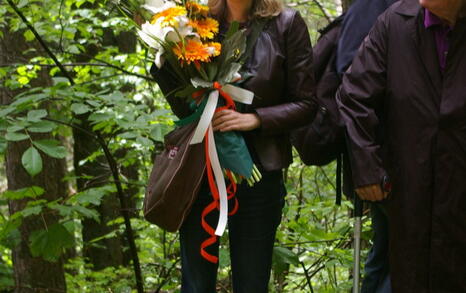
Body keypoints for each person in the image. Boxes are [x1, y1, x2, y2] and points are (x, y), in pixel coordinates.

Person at [151, 0, 317, 291]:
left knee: (252, 283)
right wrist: (163, 57)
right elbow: (182, 106)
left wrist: (255, 119)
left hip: (260, 170)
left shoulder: (286, 24)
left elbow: (307, 104)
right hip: (200, 167)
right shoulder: (194, 23)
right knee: (196, 285)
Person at [337, 0, 466, 291]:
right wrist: (367, 168)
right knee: (408, 273)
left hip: (459, 186)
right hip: (409, 185)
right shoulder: (395, 23)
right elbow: (353, 96)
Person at [336, 0, 398, 292]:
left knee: (385, 253)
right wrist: (367, 164)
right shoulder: (372, 6)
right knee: (393, 257)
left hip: (409, 156)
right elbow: (349, 80)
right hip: (383, 156)